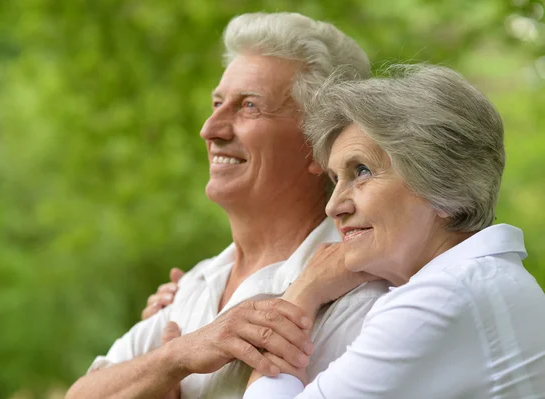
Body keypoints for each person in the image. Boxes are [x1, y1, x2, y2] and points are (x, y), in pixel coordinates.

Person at [66, 12, 389, 399]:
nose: (211, 129)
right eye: (217, 103)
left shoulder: (360, 291)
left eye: (249, 106)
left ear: (320, 144)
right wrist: (176, 357)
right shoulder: (193, 285)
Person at [243, 64, 545, 398]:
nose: (333, 206)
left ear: (442, 184)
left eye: (362, 171)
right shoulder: (485, 281)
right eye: (334, 180)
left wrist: (303, 293)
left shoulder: (444, 297)